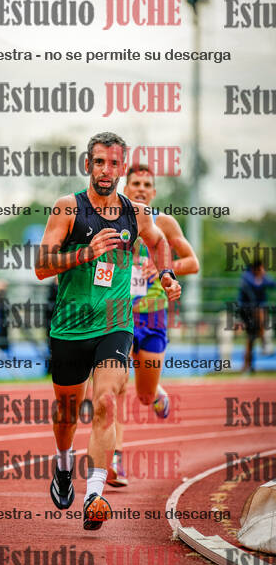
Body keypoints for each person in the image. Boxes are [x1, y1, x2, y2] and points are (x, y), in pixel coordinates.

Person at [35, 132, 181, 530]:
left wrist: (167, 275)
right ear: (88, 165)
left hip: (116, 324)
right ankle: (63, 465)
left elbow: (159, 243)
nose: (106, 170)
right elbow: (42, 266)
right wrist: (87, 252)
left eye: (114, 163)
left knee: (105, 403)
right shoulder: (68, 208)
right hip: (70, 326)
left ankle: (94, 495)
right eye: (99, 162)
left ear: (122, 167)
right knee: (67, 412)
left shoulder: (137, 213)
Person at [106, 164, 199, 486]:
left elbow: (193, 263)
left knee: (143, 395)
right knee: (116, 386)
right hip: (118, 314)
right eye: (136, 183)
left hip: (154, 317)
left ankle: (155, 392)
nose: (141, 189)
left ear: (154, 192)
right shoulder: (112, 219)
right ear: (125, 188)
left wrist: (162, 268)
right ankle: (115, 458)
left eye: (147, 185)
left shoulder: (164, 222)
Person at [238, 260, 275, 373]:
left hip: (257, 312)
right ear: (255, 269)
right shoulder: (247, 276)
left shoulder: (261, 276)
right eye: (261, 268)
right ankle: (264, 342)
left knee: (251, 338)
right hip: (246, 311)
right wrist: (261, 278)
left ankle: (248, 365)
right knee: (251, 336)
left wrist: (262, 277)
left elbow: (272, 284)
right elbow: (255, 285)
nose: (264, 271)